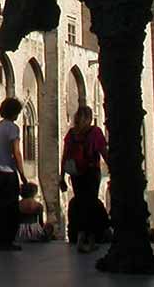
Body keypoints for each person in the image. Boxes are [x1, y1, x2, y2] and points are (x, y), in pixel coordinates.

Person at [59, 106, 109, 253]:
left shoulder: (71, 134)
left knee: (80, 203)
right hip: (91, 172)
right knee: (91, 205)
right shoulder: (95, 132)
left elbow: (65, 156)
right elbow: (103, 152)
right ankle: (91, 240)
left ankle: (80, 238)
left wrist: (62, 176)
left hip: (75, 174)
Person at [0, 97, 29, 252]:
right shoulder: (13, 128)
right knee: (10, 208)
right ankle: (6, 241)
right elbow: (16, 152)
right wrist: (23, 175)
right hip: (8, 173)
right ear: (14, 112)